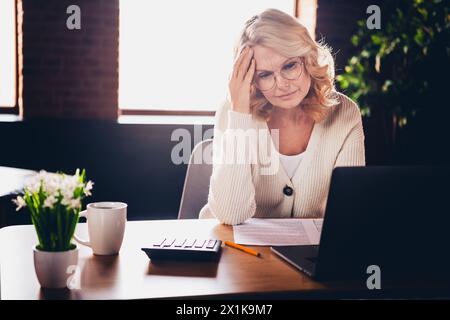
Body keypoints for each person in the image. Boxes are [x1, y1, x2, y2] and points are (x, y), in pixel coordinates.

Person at [199, 9, 365, 225]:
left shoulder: (345, 113)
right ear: (251, 80)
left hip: (310, 254)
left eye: (289, 66)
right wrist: (240, 113)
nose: (282, 84)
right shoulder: (232, 111)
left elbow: (349, 211)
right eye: (265, 75)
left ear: (308, 58)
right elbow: (232, 214)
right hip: (236, 251)